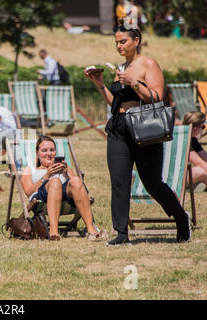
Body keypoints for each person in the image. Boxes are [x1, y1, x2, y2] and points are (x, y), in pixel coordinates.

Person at [84, 20, 191, 245]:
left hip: (144, 129)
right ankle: (121, 233)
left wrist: (134, 83)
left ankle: (181, 218)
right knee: (119, 181)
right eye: (116, 43)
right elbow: (116, 103)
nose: (119, 46)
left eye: (123, 42)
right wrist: (100, 84)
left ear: (136, 41)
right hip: (119, 128)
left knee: (152, 182)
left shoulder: (148, 64)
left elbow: (157, 97)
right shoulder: (120, 68)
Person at [20, 136, 108, 241]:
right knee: (55, 182)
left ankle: (91, 230)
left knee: (75, 180)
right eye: (44, 150)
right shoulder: (29, 169)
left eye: (52, 150)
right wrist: (47, 176)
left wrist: (67, 173)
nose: (49, 154)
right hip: (42, 198)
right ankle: (53, 231)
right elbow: (29, 192)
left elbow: (79, 186)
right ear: (37, 153)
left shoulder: (64, 167)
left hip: (67, 197)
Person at [182, 111, 207, 187]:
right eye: (202, 127)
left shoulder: (192, 140)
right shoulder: (184, 140)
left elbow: (205, 157)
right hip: (174, 179)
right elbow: (201, 164)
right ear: (195, 128)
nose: (203, 130)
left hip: (184, 175)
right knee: (200, 171)